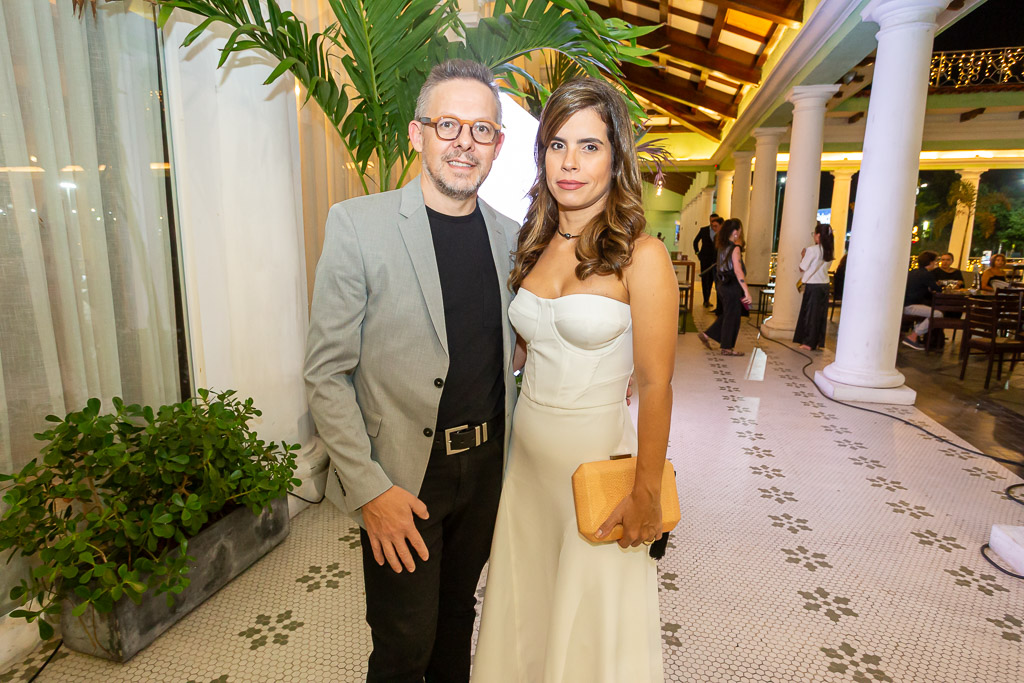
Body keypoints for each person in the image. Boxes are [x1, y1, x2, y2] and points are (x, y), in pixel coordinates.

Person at [304, 60, 521, 683]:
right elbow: (326, 374)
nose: (464, 143)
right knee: (404, 646)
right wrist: (371, 490)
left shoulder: (511, 238)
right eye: (448, 124)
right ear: (416, 133)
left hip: (486, 471)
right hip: (402, 477)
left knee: (456, 622)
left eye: (481, 130)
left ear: (498, 145)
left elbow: (513, 349)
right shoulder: (358, 225)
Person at [472, 78, 677, 682]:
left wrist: (645, 493)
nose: (570, 162)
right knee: (527, 617)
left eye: (590, 146)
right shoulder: (534, 242)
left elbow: (657, 385)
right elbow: (525, 349)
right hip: (527, 467)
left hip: (596, 469)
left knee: (589, 632)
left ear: (616, 157)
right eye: (557, 145)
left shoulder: (642, 256)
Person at [698, 219, 751, 356]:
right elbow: (738, 270)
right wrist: (746, 291)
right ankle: (726, 348)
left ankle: (707, 334)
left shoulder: (722, 246)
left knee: (729, 313)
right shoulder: (734, 248)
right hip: (732, 285)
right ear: (735, 232)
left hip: (722, 284)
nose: (740, 233)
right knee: (732, 317)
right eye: (740, 230)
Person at [792, 223, 834, 351]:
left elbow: (802, 267)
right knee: (820, 315)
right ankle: (817, 341)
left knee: (810, 314)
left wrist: (803, 256)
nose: (814, 236)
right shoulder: (830, 250)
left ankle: (808, 342)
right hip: (824, 284)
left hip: (813, 285)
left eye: (814, 234)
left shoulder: (812, 250)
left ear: (818, 235)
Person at [901, 250, 943, 351]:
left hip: (904, 304)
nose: (936, 263)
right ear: (931, 262)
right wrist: (938, 285)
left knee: (930, 312)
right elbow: (938, 289)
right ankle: (913, 336)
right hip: (910, 306)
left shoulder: (912, 272)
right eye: (935, 261)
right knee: (938, 314)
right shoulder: (926, 274)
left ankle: (916, 335)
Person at [693, 213, 721, 308]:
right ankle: (705, 300)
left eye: (714, 221)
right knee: (705, 279)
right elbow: (695, 242)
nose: (713, 223)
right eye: (711, 221)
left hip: (715, 259)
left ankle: (709, 299)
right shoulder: (704, 230)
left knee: (712, 279)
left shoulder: (720, 231)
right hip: (705, 258)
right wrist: (698, 253)